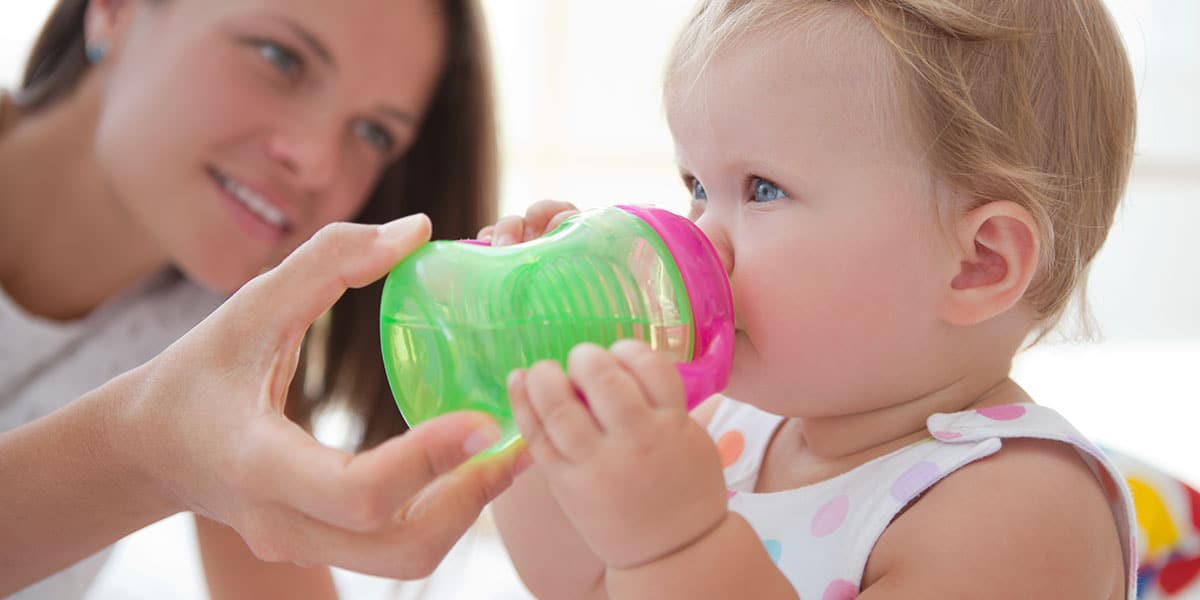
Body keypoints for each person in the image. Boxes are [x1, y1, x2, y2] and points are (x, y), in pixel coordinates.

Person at [485, 0, 1140, 598]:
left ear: (977, 264)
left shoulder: (1020, 511)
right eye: (698, 187)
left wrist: (677, 547)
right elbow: (582, 584)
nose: (699, 238)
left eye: (763, 189)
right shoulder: (731, 425)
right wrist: (536, 396)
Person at [0, 0, 520, 598]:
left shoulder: (228, 344)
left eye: (374, 132)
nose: (315, 161)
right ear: (114, 10)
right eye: (281, 58)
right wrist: (140, 458)